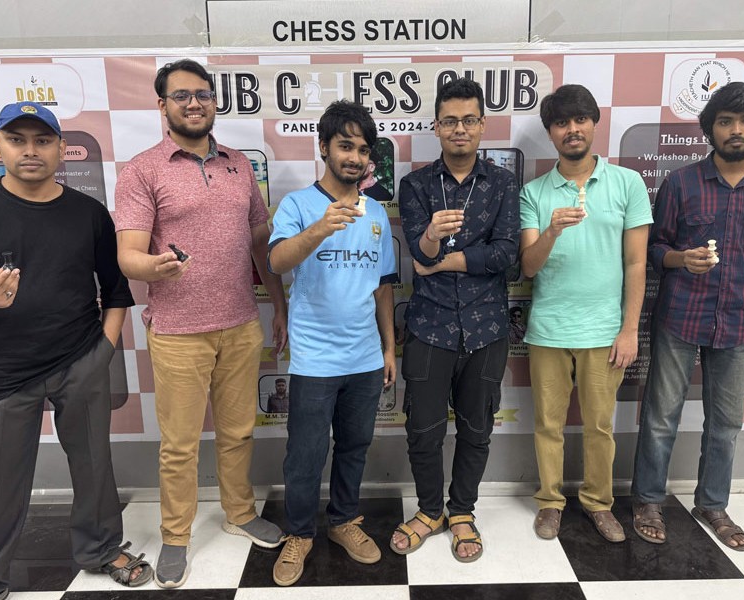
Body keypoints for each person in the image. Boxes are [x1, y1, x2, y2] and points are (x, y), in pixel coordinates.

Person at [0, 101, 152, 599]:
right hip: (3, 370)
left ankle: (101, 549)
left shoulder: (88, 213)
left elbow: (116, 292)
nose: (30, 150)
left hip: (81, 360)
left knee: (94, 466)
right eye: (17, 140)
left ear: (60, 148)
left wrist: (102, 352)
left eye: (42, 140)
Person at [114, 59, 288, 588]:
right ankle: (175, 535)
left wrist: (279, 305)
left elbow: (260, 242)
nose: (194, 103)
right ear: (162, 105)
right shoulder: (142, 170)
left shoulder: (239, 165)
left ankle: (239, 513)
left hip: (240, 324)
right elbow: (128, 256)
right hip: (177, 332)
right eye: (182, 95)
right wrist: (156, 267)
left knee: (238, 431)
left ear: (214, 102)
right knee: (180, 444)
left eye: (203, 94)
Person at [631, 82, 744, 551]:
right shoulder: (681, 183)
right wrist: (681, 260)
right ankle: (647, 500)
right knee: (660, 417)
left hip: (738, 320)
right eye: (725, 121)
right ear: (710, 129)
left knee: (725, 424)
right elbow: (655, 248)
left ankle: (713, 504)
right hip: (680, 316)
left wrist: (741, 269)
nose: (736, 130)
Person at [267, 99, 397, 587]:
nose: (355, 157)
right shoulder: (298, 205)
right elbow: (277, 261)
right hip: (315, 359)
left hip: (365, 357)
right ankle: (300, 533)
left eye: (363, 150)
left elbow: (383, 287)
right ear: (324, 147)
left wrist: (388, 348)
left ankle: (343, 521)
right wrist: (321, 227)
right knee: (305, 453)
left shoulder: (377, 212)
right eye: (345, 146)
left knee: (354, 446)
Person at [392, 78, 519, 562]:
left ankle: (462, 510)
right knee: (422, 429)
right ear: (437, 127)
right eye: (450, 121)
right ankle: (430, 510)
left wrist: (444, 260)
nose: (459, 129)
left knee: (476, 429)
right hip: (429, 326)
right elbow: (418, 255)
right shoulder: (416, 185)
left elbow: (506, 255)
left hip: (487, 329)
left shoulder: (503, 184)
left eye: (469, 120)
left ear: (482, 125)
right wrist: (429, 236)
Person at [519, 84, 652, 543]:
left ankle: (599, 503)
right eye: (561, 123)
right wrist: (552, 231)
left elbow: (637, 263)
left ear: (594, 123)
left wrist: (629, 329)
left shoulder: (627, 183)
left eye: (580, 120)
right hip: (548, 329)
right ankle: (550, 502)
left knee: (599, 426)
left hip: (604, 331)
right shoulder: (534, 192)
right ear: (550, 133)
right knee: (547, 425)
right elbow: (528, 266)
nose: (572, 129)